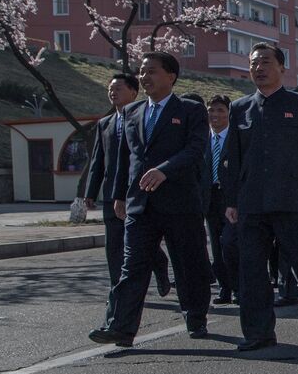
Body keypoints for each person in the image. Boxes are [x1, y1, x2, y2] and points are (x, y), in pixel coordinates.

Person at [89, 52, 212, 346]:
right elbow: (123, 158)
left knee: (188, 263)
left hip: (180, 203)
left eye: (152, 71)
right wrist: (119, 195)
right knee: (131, 267)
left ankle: (195, 315)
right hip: (140, 204)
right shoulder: (132, 112)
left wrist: (164, 171)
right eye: (142, 72)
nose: (145, 77)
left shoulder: (191, 110)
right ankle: (120, 326)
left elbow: (196, 150)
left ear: (171, 76)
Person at [222, 43, 298, 352]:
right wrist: (231, 199)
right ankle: (258, 332)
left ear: (282, 68)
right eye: (254, 63)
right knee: (252, 269)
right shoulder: (240, 108)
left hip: (292, 199)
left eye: (266, 62)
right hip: (252, 202)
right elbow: (232, 155)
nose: (259, 68)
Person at [81, 72, 171, 296]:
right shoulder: (105, 124)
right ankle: (117, 290)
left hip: (139, 190)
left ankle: (159, 266)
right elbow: (98, 161)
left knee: (141, 240)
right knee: (114, 244)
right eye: (110, 89)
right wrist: (90, 192)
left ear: (133, 92)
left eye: (118, 88)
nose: (113, 92)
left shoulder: (146, 117)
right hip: (112, 192)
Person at [203, 94, 236, 305]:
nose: (215, 115)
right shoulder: (201, 139)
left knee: (231, 244)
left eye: (220, 111)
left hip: (231, 198)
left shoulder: (236, 138)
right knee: (216, 246)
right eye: (212, 111)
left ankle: (239, 287)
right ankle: (225, 287)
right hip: (210, 198)